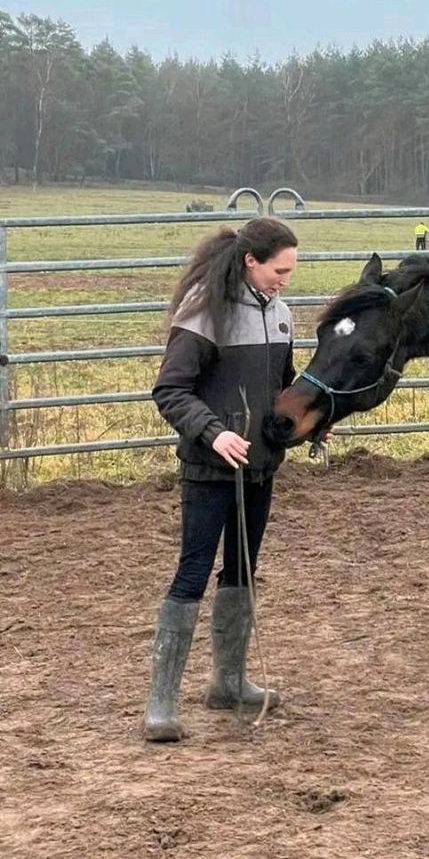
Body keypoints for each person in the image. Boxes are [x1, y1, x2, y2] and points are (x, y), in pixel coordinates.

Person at [144, 216, 299, 742]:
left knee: (243, 570)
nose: (285, 280)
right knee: (192, 573)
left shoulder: (280, 314)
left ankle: (228, 683)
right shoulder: (203, 314)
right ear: (251, 261)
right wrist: (213, 434)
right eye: (279, 270)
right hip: (210, 469)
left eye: (290, 272)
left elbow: (284, 386)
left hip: (260, 467)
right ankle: (160, 704)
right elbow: (170, 390)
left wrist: (303, 423)